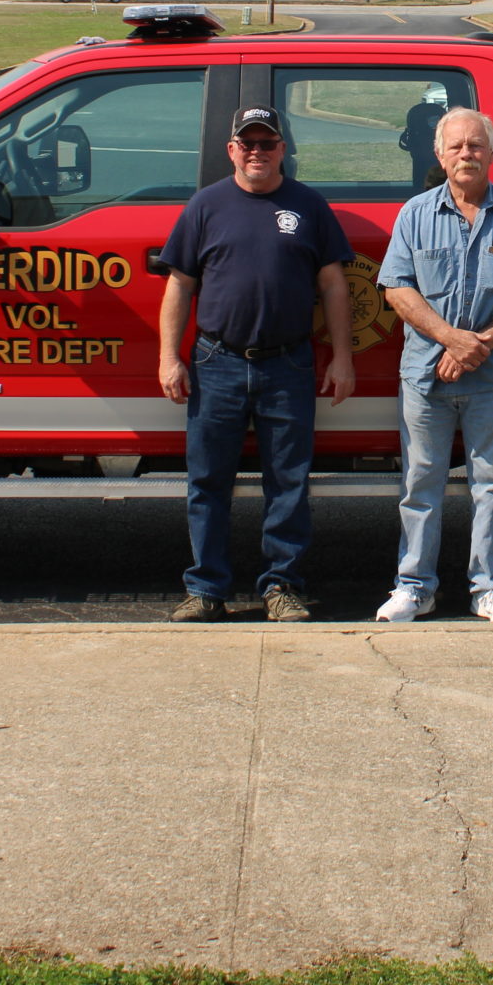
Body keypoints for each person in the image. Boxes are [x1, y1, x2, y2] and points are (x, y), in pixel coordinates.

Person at [158, 105, 357, 622]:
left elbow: (334, 286)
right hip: (216, 362)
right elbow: (179, 285)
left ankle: (282, 586)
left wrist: (342, 357)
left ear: (282, 150)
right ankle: (206, 589)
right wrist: (168, 357)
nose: (257, 152)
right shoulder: (205, 206)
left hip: (288, 363)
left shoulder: (309, 206)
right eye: (247, 143)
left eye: (267, 143)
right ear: (232, 150)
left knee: (288, 482)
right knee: (207, 482)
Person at [373, 107, 493, 624]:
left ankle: (491, 588)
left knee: (492, 485)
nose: (466, 153)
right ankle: (413, 587)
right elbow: (396, 289)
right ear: (439, 154)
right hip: (424, 376)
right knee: (419, 484)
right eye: (456, 146)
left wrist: (477, 346)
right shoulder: (414, 215)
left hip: (491, 379)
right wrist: (450, 339)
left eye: (475, 145)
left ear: (492, 152)